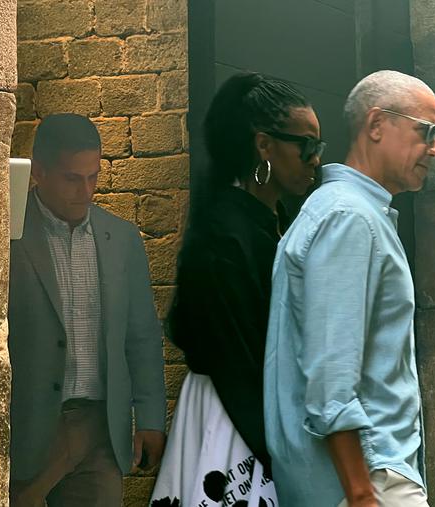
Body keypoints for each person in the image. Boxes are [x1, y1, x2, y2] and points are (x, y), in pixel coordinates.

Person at [264, 70, 435, 507]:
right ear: (377, 124)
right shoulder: (350, 218)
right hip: (368, 480)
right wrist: (362, 493)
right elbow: (330, 379)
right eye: (427, 132)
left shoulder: (352, 212)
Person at [150, 72, 324, 507]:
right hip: (235, 418)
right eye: (305, 145)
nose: (315, 159)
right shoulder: (225, 235)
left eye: (317, 146)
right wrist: (279, 452)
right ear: (264, 146)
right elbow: (235, 359)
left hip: (255, 412)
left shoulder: (268, 221)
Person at [8, 113, 167, 506]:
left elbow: (142, 336)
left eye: (93, 176)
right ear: (39, 172)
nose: (86, 190)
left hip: (101, 426)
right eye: (72, 178)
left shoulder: (122, 239)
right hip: (30, 427)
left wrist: (149, 418)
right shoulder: (9, 235)